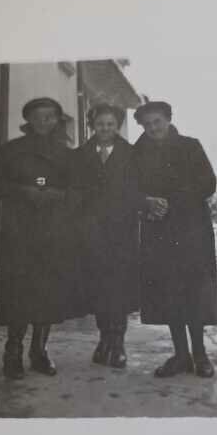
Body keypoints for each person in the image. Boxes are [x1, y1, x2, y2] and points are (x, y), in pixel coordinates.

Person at [0, 97, 81, 379]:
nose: (44, 122)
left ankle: (40, 351)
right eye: (38, 116)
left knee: (48, 293)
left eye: (50, 117)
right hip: (19, 232)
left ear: (57, 120)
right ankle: (12, 352)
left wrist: (58, 195)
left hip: (54, 233)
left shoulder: (67, 154)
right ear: (28, 120)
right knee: (18, 292)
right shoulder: (10, 151)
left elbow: (80, 191)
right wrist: (22, 191)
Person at [133, 100, 217, 378]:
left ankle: (200, 355)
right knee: (168, 292)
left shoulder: (190, 146)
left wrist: (170, 202)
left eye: (157, 121)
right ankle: (181, 356)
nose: (153, 128)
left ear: (168, 119)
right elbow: (128, 189)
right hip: (157, 231)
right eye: (147, 124)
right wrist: (144, 202)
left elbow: (208, 183)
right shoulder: (137, 153)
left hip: (191, 230)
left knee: (193, 291)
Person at [71, 103, 141, 368]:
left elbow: (137, 189)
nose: (105, 129)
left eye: (110, 124)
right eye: (100, 124)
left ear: (117, 125)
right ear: (92, 125)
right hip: (91, 232)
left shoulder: (131, 154)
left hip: (121, 231)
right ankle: (103, 340)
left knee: (119, 287)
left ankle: (118, 343)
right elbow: (75, 190)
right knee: (98, 287)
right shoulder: (81, 155)